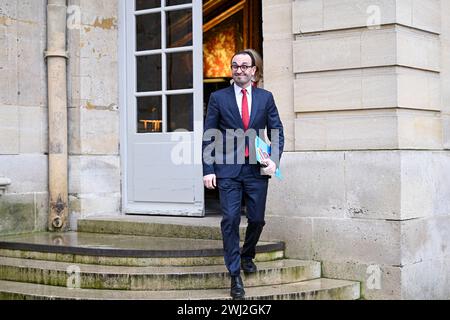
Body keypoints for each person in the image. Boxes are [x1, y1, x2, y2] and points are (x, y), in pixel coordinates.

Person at [202, 50, 284, 299]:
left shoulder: (265, 97)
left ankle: (248, 253)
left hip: (256, 169)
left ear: (253, 71)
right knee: (229, 219)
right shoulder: (218, 97)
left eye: (244, 66)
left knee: (257, 219)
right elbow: (209, 134)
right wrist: (208, 170)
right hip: (228, 169)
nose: (239, 70)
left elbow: (277, 129)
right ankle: (235, 274)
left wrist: (275, 160)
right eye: (235, 66)